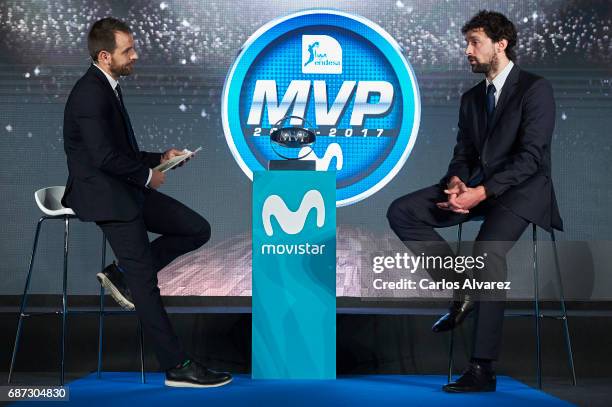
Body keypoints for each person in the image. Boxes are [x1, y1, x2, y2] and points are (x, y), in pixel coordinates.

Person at [386, 10, 562, 392]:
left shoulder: (535, 88)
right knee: (402, 210)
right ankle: (462, 287)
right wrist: (455, 184)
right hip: (478, 190)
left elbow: (531, 158)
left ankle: (482, 368)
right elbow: (463, 153)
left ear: (501, 44)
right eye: (466, 42)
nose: (467, 50)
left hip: (522, 192)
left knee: (487, 253)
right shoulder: (471, 98)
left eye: (474, 42)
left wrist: (480, 192)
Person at [61, 17, 232, 388]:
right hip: (108, 198)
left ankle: (121, 274)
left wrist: (160, 158)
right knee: (146, 286)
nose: (135, 56)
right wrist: (146, 176)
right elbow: (103, 157)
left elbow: (119, 152)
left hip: (126, 188)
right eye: (128, 51)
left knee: (195, 229)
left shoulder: (109, 86)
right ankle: (178, 366)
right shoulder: (89, 93)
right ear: (105, 56)